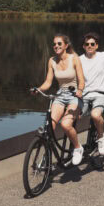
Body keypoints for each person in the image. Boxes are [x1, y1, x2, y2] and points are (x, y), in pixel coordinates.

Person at [34, 34, 86, 165]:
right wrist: (38, 89)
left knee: (65, 124)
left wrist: (79, 90)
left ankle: (78, 148)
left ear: (66, 46)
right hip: (60, 95)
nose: (56, 46)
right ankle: (47, 154)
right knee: (49, 126)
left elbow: (81, 80)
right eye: (54, 44)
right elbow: (48, 82)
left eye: (59, 44)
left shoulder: (74, 59)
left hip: (74, 95)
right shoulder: (52, 61)